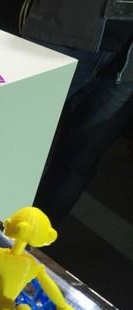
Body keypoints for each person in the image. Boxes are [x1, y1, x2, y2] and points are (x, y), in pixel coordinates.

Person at [22, 0, 133, 224]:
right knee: (15, 139)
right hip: (63, 31)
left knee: (77, 163)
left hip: (126, 67)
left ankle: (29, 240)